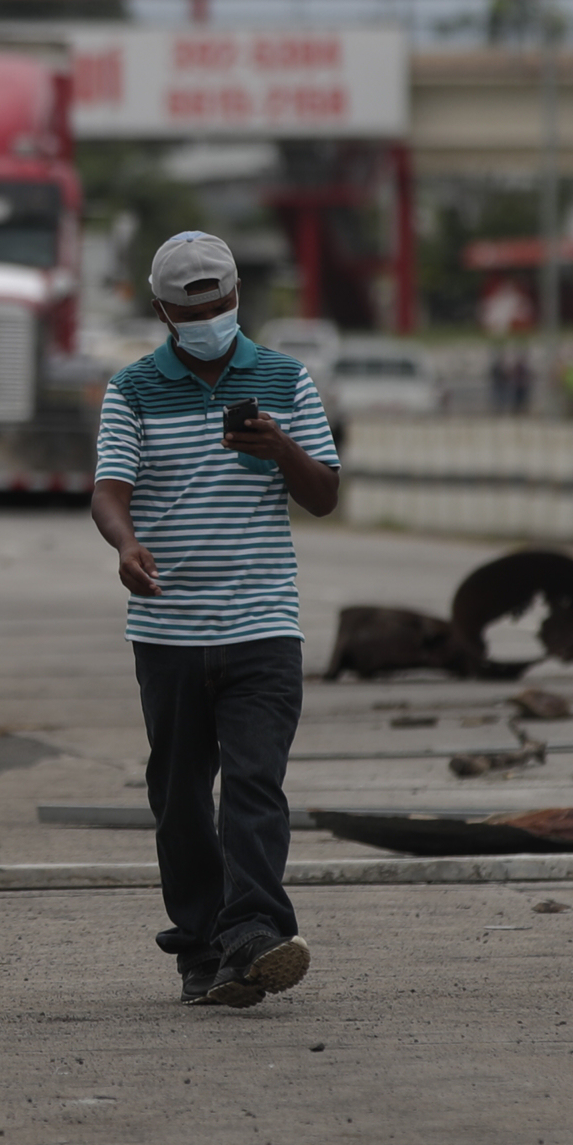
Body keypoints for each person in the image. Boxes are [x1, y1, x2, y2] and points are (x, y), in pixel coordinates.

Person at [88, 231, 341, 1009]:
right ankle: (201, 946)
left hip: (264, 625)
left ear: (238, 299)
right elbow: (108, 489)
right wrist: (127, 546)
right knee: (182, 796)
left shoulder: (285, 378)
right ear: (163, 310)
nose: (210, 318)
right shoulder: (132, 389)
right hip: (169, 633)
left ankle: (257, 934)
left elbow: (325, 493)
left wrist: (281, 448)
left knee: (257, 783)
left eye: (222, 303)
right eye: (193, 308)